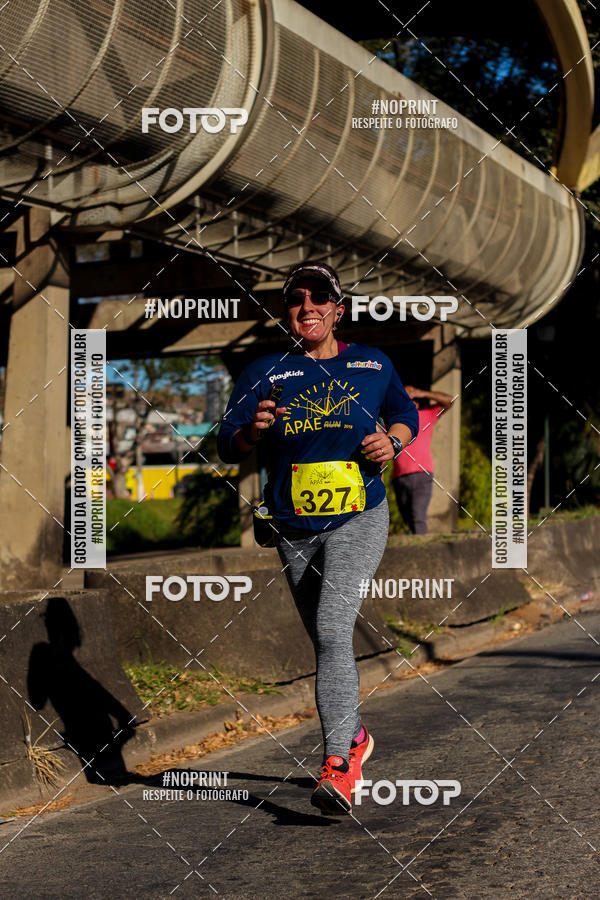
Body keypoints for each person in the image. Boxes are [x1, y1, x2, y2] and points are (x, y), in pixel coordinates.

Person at [217, 261, 418, 815]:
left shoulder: (372, 363)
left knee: (332, 626)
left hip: (359, 514)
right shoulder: (265, 370)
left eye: (318, 297)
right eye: (295, 299)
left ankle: (338, 765)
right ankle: (354, 737)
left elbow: (404, 413)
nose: (306, 307)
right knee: (324, 637)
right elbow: (225, 443)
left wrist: (392, 441)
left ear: (338, 308)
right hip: (291, 526)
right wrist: (251, 432)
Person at [391, 385, 453, 534]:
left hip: (422, 475)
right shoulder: (393, 420)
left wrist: (422, 392)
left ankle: (422, 552)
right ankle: (412, 552)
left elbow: (450, 401)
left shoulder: (427, 414)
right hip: (399, 477)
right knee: (407, 521)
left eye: (411, 399)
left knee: (417, 518)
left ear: (417, 402)